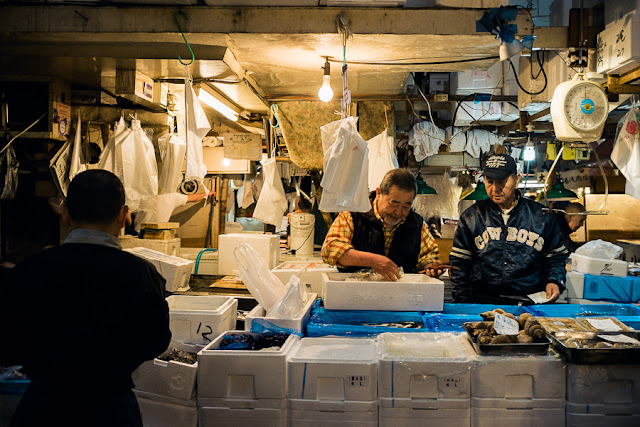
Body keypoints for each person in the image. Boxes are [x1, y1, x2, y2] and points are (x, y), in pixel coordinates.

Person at [0, 169, 171, 427]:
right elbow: (156, 341)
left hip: (43, 410)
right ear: (124, 216)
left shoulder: (29, 269)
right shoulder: (140, 274)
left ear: (65, 212)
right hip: (112, 411)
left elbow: (8, 344)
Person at [450, 154, 569, 304]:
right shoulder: (471, 217)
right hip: (483, 302)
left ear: (517, 179)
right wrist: (462, 304)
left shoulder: (541, 216)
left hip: (529, 302)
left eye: (501, 182)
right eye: (489, 181)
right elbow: (459, 264)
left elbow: (556, 258)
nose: (495, 188)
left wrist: (554, 281)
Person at [321, 168, 441, 281]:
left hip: (401, 295)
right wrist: (372, 260)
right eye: (394, 204)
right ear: (379, 193)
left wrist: (430, 267)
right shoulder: (353, 214)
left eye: (406, 206)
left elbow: (428, 256)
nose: (398, 212)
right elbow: (330, 249)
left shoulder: (416, 224)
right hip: (355, 293)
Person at [128, 189, 215, 234]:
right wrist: (207, 193)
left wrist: (129, 229)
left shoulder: (141, 196)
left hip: (138, 233)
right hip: (157, 235)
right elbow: (194, 198)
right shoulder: (172, 197)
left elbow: (127, 213)